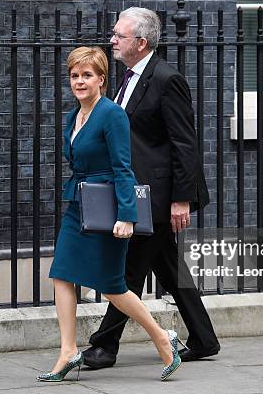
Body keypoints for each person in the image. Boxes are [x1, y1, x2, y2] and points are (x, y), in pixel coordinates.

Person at [83, 7, 220, 368]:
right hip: (138, 191)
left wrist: (181, 200)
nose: (112, 40)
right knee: (168, 268)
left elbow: (185, 143)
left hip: (158, 196)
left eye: (119, 35)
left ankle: (104, 346)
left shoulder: (165, 78)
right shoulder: (127, 78)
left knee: (129, 270)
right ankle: (204, 339)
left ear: (140, 42)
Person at [36, 47, 182, 383]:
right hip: (78, 205)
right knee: (62, 273)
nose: (80, 81)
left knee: (113, 286)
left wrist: (127, 216)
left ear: (101, 79)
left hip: (109, 208)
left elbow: (123, 167)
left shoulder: (112, 114)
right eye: (75, 75)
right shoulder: (74, 117)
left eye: (87, 75)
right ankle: (68, 351)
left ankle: (163, 337)